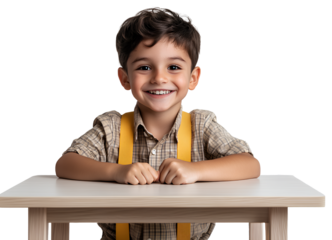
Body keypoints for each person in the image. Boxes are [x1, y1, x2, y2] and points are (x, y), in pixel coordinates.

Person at [53, 6, 262, 240]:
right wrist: (116, 172)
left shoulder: (203, 125)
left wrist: (196, 170)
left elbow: (250, 165)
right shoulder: (110, 127)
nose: (159, 78)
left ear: (194, 78)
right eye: (144, 67)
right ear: (124, 78)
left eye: (173, 67)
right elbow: (65, 164)